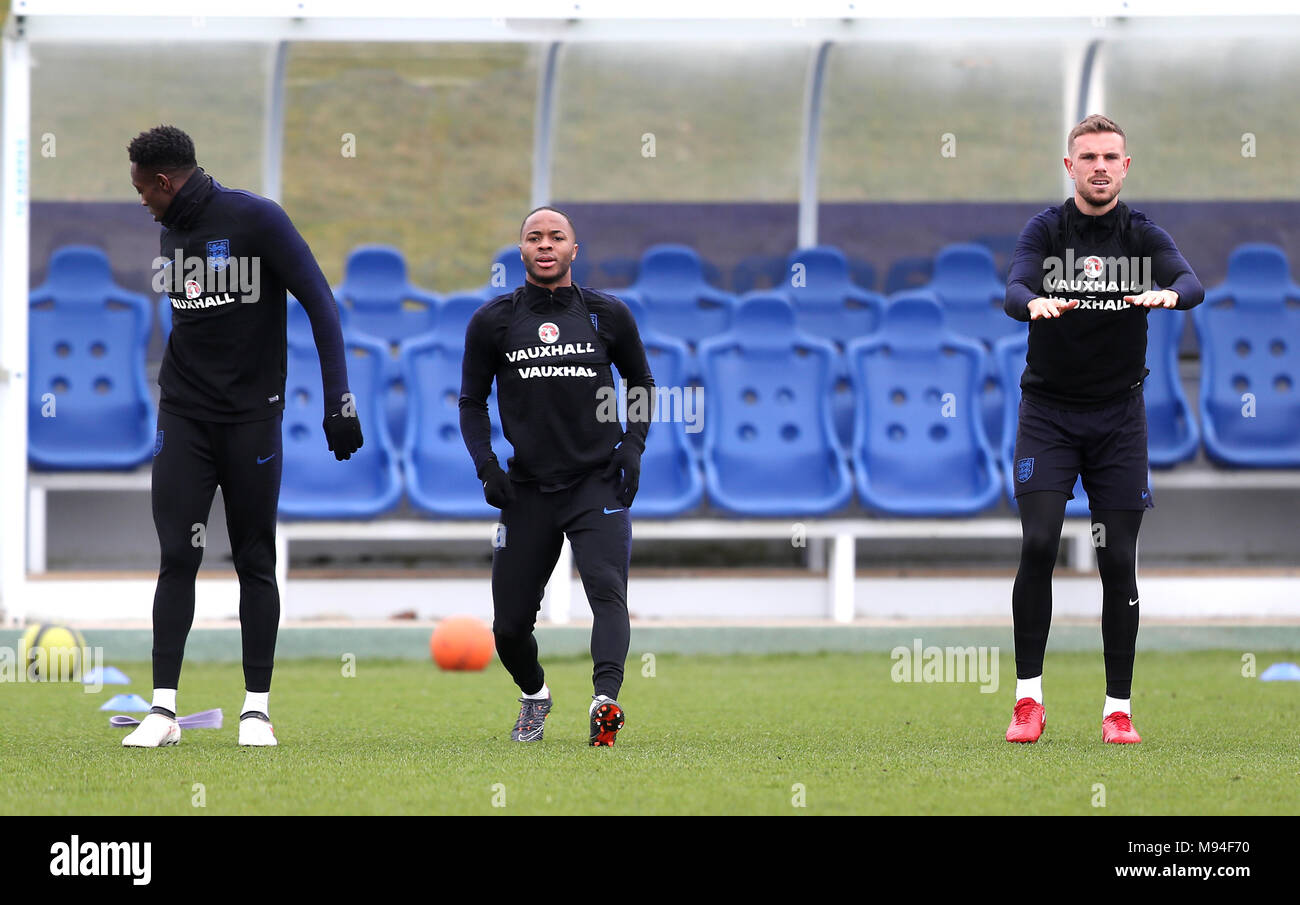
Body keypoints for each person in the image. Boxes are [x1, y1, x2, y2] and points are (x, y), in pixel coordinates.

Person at [122, 125, 362, 748]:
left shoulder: (258, 220)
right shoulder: (171, 230)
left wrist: (339, 397)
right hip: (183, 416)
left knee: (254, 559)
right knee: (178, 554)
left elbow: (320, 303)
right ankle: (163, 711)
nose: (141, 202)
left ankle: (256, 710)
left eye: (143, 190)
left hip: (253, 419)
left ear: (165, 182)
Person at [1002, 114, 1203, 744]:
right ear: (1070, 166)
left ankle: (1118, 708)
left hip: (1119, 420)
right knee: (1039, 545)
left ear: (1125, 166)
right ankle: (1027, 701)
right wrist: (1031, 301)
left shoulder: (1141, 234)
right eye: (1087, 156)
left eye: (1110, 157)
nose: (1099, 166)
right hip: (1049, 416)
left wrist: (1169, 296)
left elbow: (1190, 281)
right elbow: (1014, 286)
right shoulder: (1047, 228)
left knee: (1119, 560)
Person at [459, 206, 654, 746]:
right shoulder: (493, 321)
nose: (545, 245)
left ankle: (604, 704)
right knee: (508, 627)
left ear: (574, 249)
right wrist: (487, 468)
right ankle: (535, 695)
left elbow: (641, 381)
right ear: (520, 251)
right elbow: (471, 402)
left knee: (607, 592)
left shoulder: (606, 315)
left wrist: (632, 447)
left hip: (597, 483)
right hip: (526, 491)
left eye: (556, 237)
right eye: (534, 237)